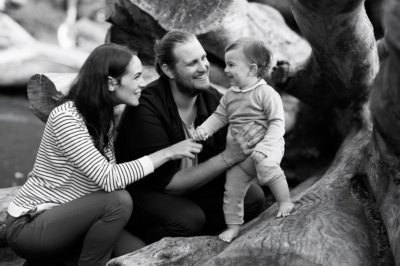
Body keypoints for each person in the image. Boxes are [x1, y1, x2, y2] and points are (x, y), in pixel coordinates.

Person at [5, 43, 202, 266]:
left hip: (77, 221)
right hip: (31, 224)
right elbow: (109, 179)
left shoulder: (103, 118)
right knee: (118, 201)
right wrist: (167, 153)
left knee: (138, 254)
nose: (143, 83)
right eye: (136, 77)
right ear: (110, 82)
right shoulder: (66, 117)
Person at [114, 30, 267, 245]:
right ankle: (137, 243)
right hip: (145, 192)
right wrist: (228, 157)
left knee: (253, 198)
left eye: (203, 58)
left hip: (193, 189)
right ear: (169, 70)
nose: (203, 67)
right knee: (188, 219)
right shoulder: (145, 108)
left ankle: (198, 238)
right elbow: (169, 183)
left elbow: (240, 155)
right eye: (192, 63)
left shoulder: (214, 100)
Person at [192, 37, 295, 242]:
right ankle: (233, 227)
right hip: (242, 155)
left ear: (252, 69)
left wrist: (265, 146)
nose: (226, 70)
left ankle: (285, 202)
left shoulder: (266, 93)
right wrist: (205, 129)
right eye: (226, 64)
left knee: (266, 166)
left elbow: (277, 123)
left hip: (268, 147)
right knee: (232, 188)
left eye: (231, 65)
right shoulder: (230, 95)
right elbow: (220, 116)